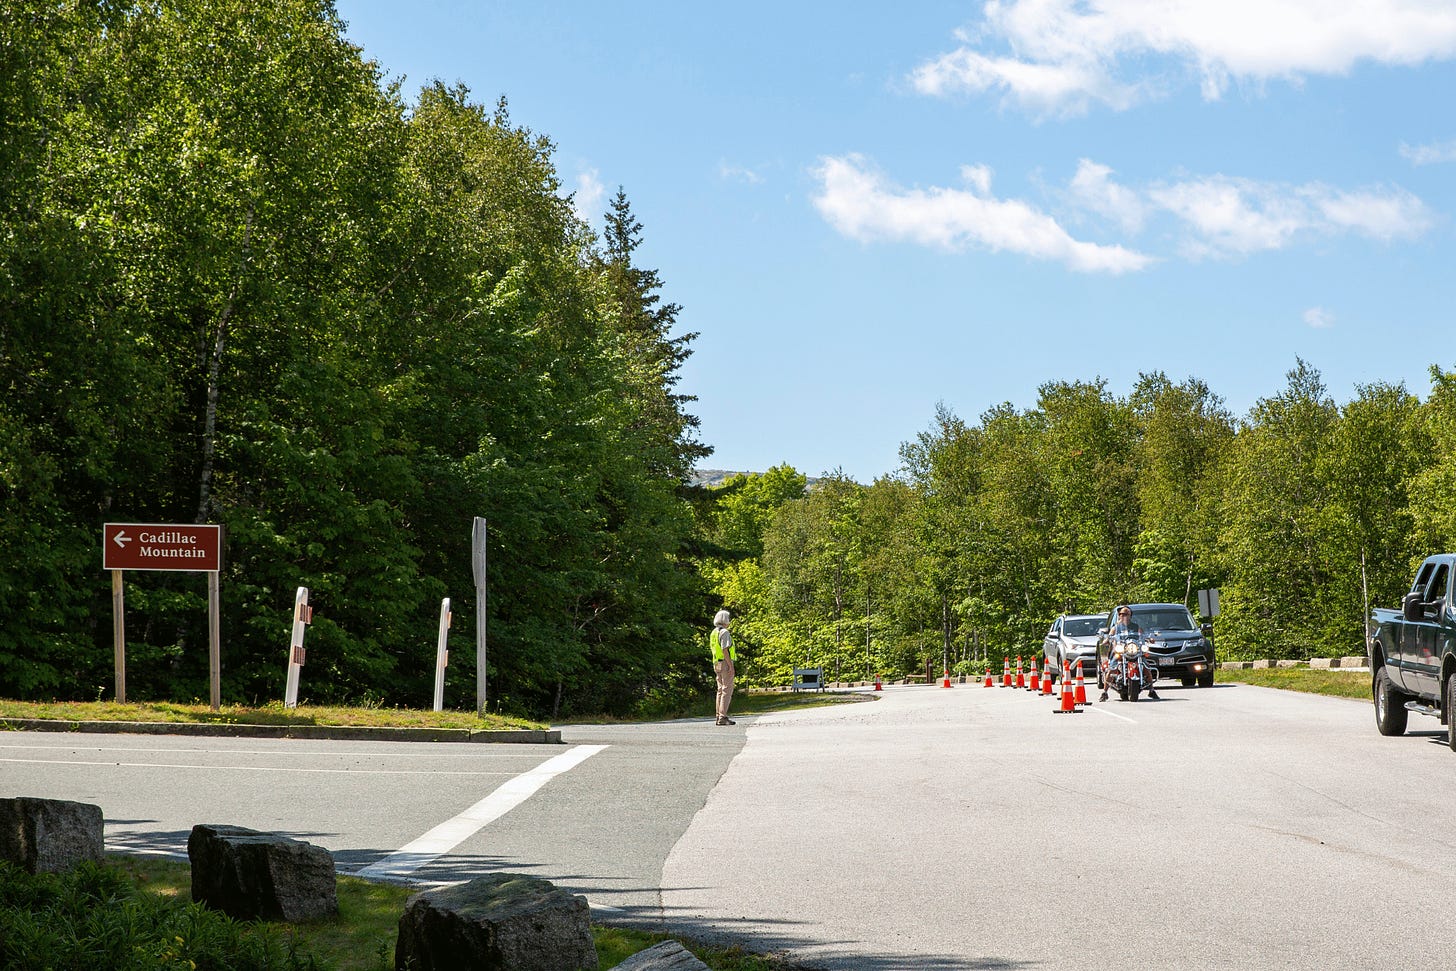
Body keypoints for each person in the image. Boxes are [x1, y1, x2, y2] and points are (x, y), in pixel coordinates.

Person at [1099, 606, 1159, 702]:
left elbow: (1143, 635)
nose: (1124, 616)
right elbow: (1110, 635)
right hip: (1121, 652)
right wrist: (1107, 639)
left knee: (1146, 667)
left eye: (1126, 614)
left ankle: (1151, 690)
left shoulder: (1136, 627)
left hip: (1134, 651)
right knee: (1111, 669)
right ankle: (1104, 692)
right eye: (1121, 614)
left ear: (1130, 615)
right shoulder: (1116, 628)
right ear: (1119, 616)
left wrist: (1149, 639)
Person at [709, 609, 737, 726]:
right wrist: (731, 665)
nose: (729, 621)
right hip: (725, 663)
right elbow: (725, 649)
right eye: (728, 618)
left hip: (717, 663)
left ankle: (718, 716)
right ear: (725, 620)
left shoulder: (714, 632)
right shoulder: (724, 632)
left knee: (720, 690)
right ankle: (722, 717)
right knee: (727, 689)